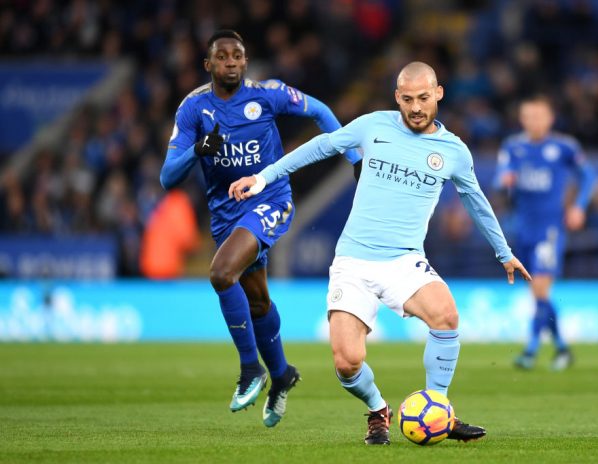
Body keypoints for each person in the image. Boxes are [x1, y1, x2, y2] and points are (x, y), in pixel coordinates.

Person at [229, 62, 531, 445]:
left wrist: (504, 252)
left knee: (446, 315)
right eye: (408, 99)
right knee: (346, 362)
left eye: (424, 98)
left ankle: (438, 409)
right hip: (353, 262)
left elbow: (476, 201)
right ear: (397, 98)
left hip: (405, 260)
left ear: (438, 94)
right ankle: (377, 409)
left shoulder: (454, 151)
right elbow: (321, 146)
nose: (416, 107)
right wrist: (263, 177)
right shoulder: (373, 125)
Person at [159, 29, 361, 427]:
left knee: (221, 273)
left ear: (245, 62)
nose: (231, 62)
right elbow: (168, 177)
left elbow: (320, 110)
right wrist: (198, 150)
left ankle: (251, 369)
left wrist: (353, 157)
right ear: (208, 64)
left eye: (237, 56)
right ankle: (282, 373)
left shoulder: (268, 94)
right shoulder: (193, 109)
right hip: (225, 215)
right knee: (257, 302)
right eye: (222, 57)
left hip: (271, 200)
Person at [494, 95, 595, 371]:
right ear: (521, 119)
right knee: (538, 294)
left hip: (550, 230)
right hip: (522, 229)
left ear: (550, 118)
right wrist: (505, 180)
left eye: (538, 116)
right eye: (528, 116)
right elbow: (500, 177)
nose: (533, 121)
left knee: (540, 288)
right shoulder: (513, 147)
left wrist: (579, 206)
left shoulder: (564, 147)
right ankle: (562, 348)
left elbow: (588, 176)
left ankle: (530, 351)